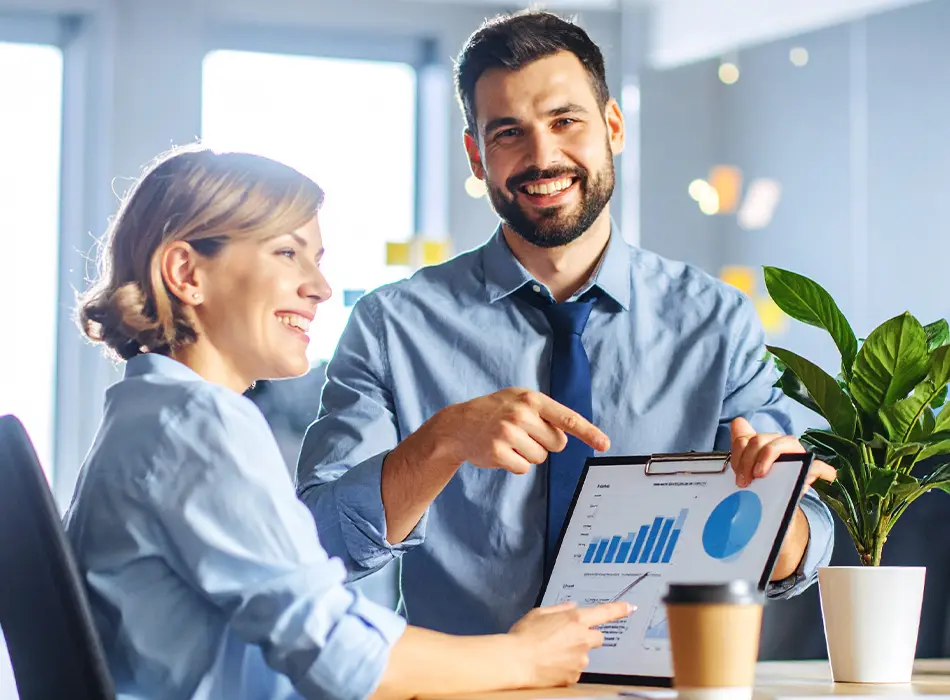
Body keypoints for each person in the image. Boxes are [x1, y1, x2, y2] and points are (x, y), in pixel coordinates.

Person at [296, 10, 837, 637]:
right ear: (476, 155)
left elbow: (795, 558)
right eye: (508, 133)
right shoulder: (392, 324)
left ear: (611, 126)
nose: (542, 156)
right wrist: (439, 444)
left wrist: (777, 505)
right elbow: (317, 548)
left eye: (565, 121)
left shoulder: (716, 320)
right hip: (463, 687)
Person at [62, 145, 632, 700]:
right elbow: (338, 656)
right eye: (287, 253)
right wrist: (524, 657)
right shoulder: (197, 424)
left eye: (317, 259)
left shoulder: (149, 415)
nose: (320, 287)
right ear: (187, 272)